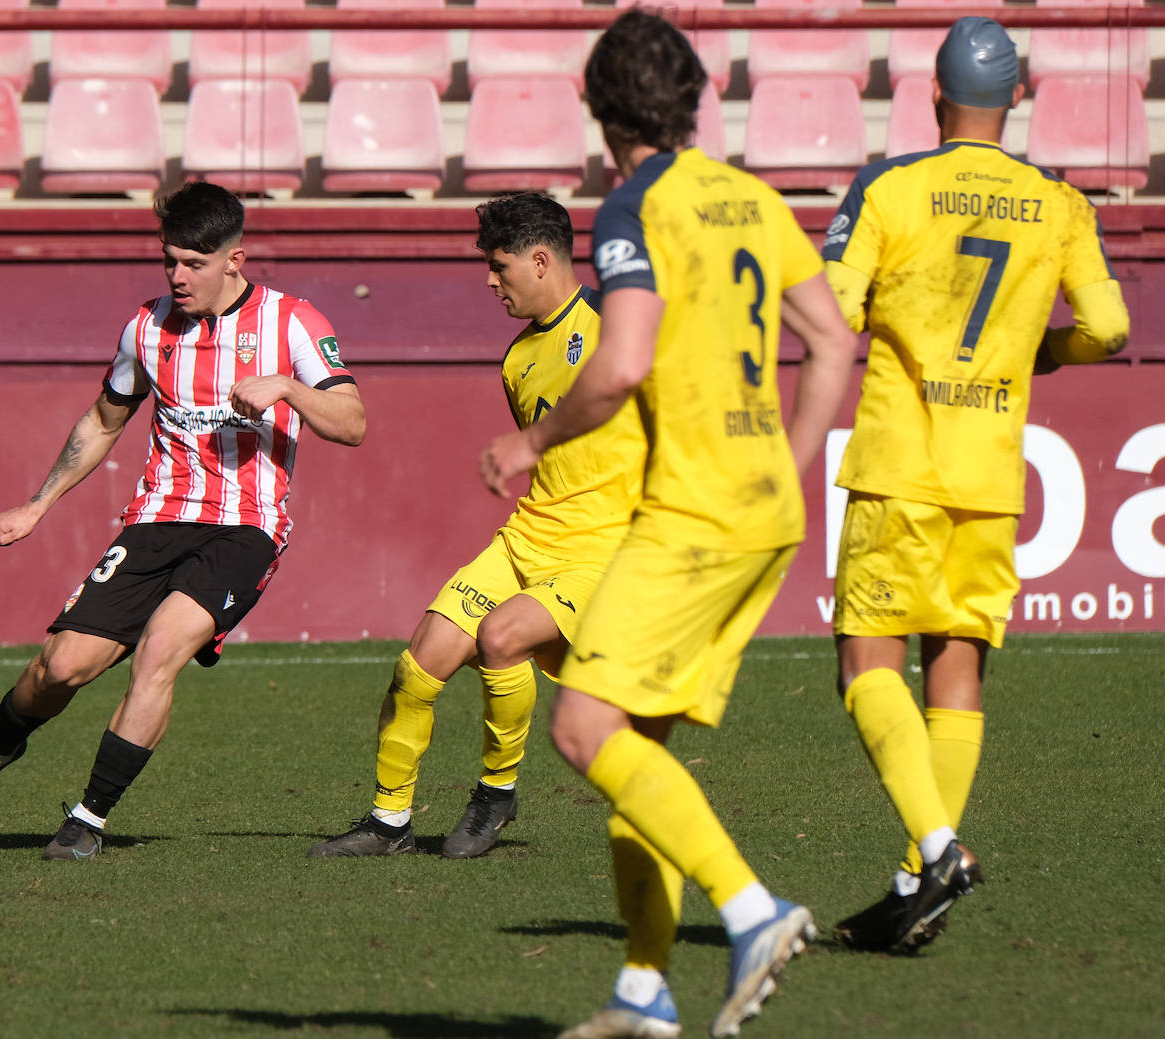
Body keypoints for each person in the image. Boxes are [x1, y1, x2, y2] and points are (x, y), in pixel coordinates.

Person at [480, 11, 856, 1039]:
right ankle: (644, 991)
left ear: (601, 111)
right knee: (632, 750)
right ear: (694, 99)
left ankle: (754, 911)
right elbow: (830, 340)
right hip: (761, 505)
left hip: (690, 508)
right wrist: (785, 463)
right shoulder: (751, 198)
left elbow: (624, 360)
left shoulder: (630, 207)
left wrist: (532, 442)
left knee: (580, 724)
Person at [821, 15, 1130, 951]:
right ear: (1019, 100)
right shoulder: (1058, 200)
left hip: (900, 468)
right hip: (991, 476)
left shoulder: (890, 185)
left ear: (934, 96)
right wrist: (1051, 350)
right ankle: (919, 884)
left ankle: (940, 847)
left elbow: (832, 311)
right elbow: (1111, 328)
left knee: (865, 667)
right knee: (954, 677)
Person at [0, 180, 367, 861]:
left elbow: (353, 422)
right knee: (59, 667)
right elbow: (105, 420)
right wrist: (38, 503)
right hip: (155, 519)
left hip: (245, 527)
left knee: (159, 651)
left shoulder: (292, 322)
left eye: (193, 263)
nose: (177, 275)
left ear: (235, 259)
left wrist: (288, 387)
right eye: (169, 259)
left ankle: (87, 819)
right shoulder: (145, 328)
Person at [309, 192, 646, 860]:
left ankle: (497, 792)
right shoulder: (517, 360)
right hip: (528, 537)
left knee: (502, 637)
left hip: (603, 549)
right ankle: (389, 820)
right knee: (420, 661)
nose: (490, 282)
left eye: (500, 266)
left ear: (542, 260)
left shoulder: (621, 323)